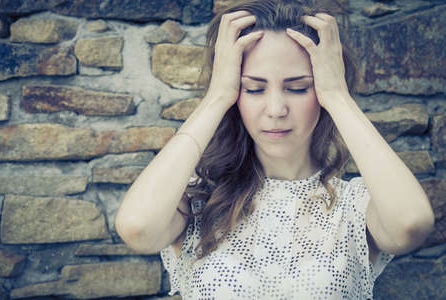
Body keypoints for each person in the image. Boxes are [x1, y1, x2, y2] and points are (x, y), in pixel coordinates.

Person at [115, 0, 435, 299]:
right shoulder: (199, 206)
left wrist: (338, 96)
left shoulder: (353, 208)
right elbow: (137, 227)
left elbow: (411, 223)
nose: (276, 108)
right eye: (254, 88)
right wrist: (217, 97)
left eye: (298, 87)